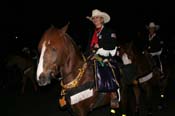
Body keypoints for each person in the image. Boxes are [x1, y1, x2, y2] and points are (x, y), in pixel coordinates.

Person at [85, 9, 120, 112]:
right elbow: (88, 48)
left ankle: (113, 94)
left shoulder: (109, 31)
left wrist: (100, 45)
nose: (95, 19)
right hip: (92, 57)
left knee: (106, 66)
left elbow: (113, 44)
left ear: (102, 19)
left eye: (97, 18)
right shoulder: (92, 33)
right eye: (94, 18)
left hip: (105, 57)